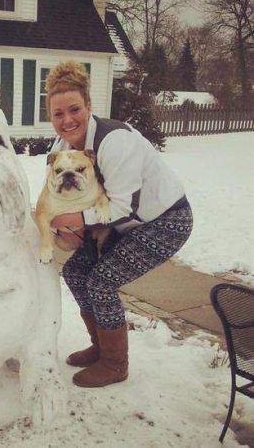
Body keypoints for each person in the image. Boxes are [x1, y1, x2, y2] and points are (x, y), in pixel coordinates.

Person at [45, 60, 193, 388]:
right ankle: (100, 347)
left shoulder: (115, 141)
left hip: (165, 221)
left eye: (74, 109)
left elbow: (123, 207)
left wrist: (78, 220)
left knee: (101, 282)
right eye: (58, 114)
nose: (67, 120)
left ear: (88, 106)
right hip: (120, 225)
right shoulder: (61, 147)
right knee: (75, 272)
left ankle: (115, 364)